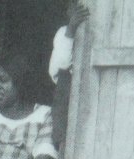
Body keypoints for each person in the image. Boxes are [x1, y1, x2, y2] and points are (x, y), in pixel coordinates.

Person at [49, 1, 90, 148]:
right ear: (67, 11)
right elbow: (59, 67)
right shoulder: (63, 32)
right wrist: (71, 30)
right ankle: (61, 150)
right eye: (73, 5)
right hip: (68, 89)